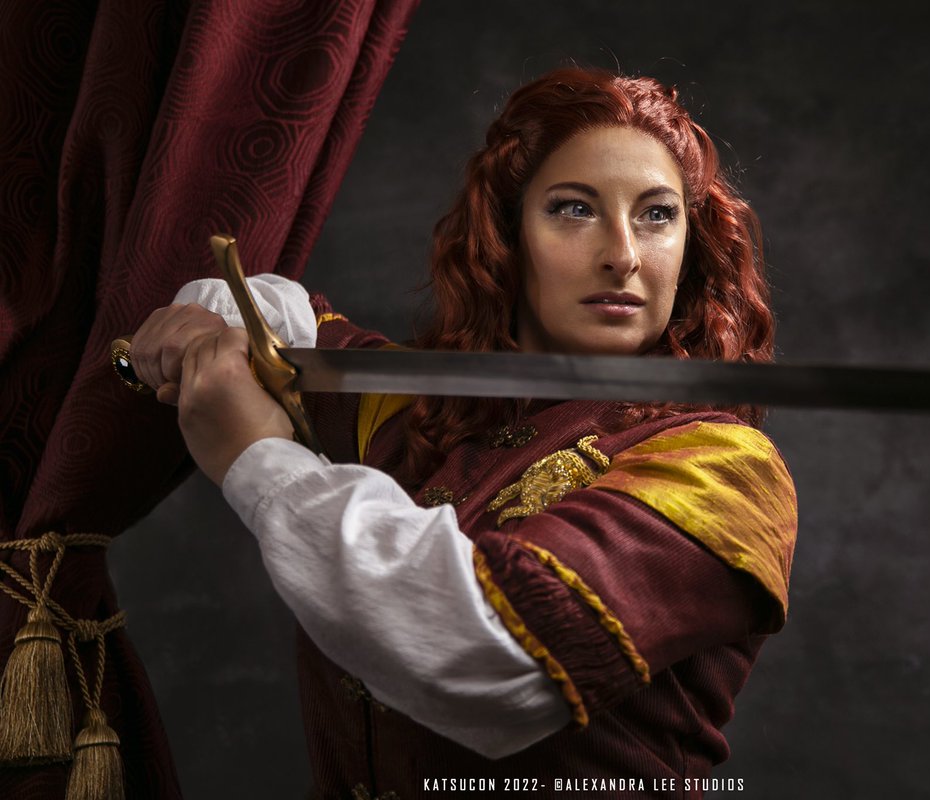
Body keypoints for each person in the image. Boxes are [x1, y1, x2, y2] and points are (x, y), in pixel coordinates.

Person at [130, 67, 797, 798]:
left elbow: (487, 652)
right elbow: (278, 319)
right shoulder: (428, 410)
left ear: (691, 244)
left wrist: (256, 460)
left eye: (657, 214)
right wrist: (204, 325)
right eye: (574, 209)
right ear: (507, 235)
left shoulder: (722, 472)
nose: (623, 254)